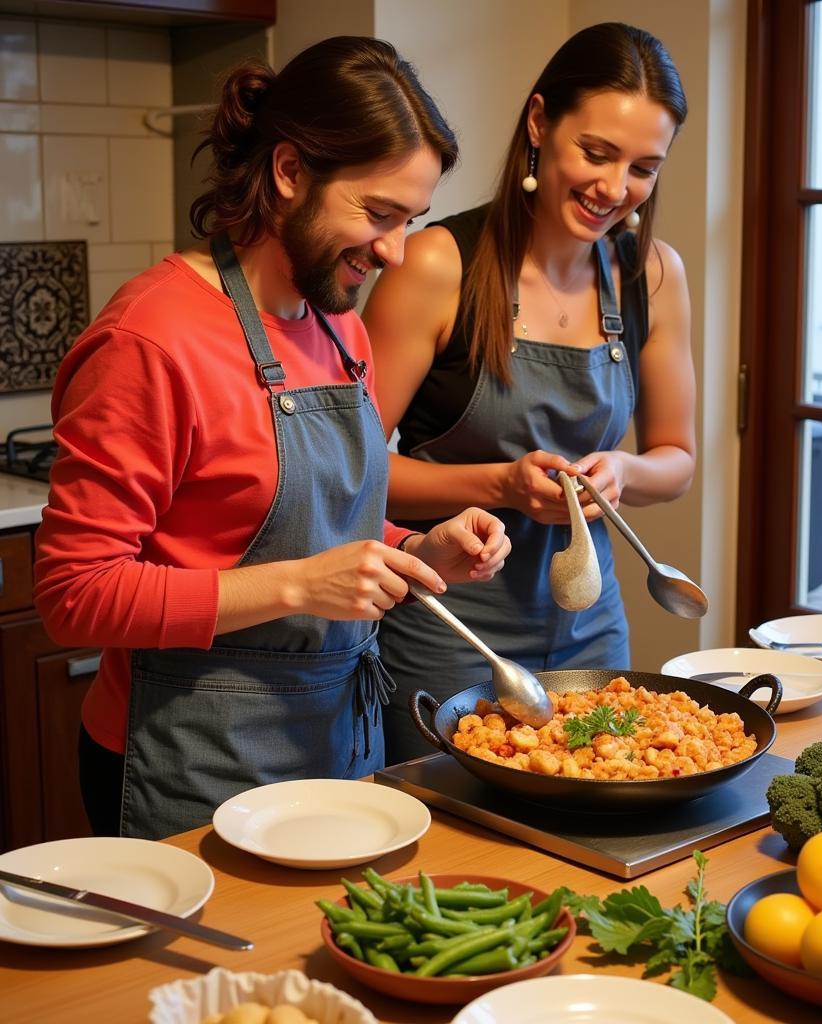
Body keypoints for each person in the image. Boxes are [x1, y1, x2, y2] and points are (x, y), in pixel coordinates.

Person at [33, 36, 511, 842]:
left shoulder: (339, 327)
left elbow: (323, 528)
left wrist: (416, 553)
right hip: (191, 761)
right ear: (290, 173)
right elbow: (73, 595)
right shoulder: (152, 339)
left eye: (411, 221)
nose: (395, 250)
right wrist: (297, 587)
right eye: (377, 213)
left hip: (336, 748)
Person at [362, 22, 696, 761]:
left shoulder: (653, 275)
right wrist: (503, 485)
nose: (615, 188)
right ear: (541, 124)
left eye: (643, 167)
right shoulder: (433, 265)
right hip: (448, 630)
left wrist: (622, 473)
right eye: (597, 153)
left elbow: (676, 458)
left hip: (591, 628)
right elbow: (351, 474)